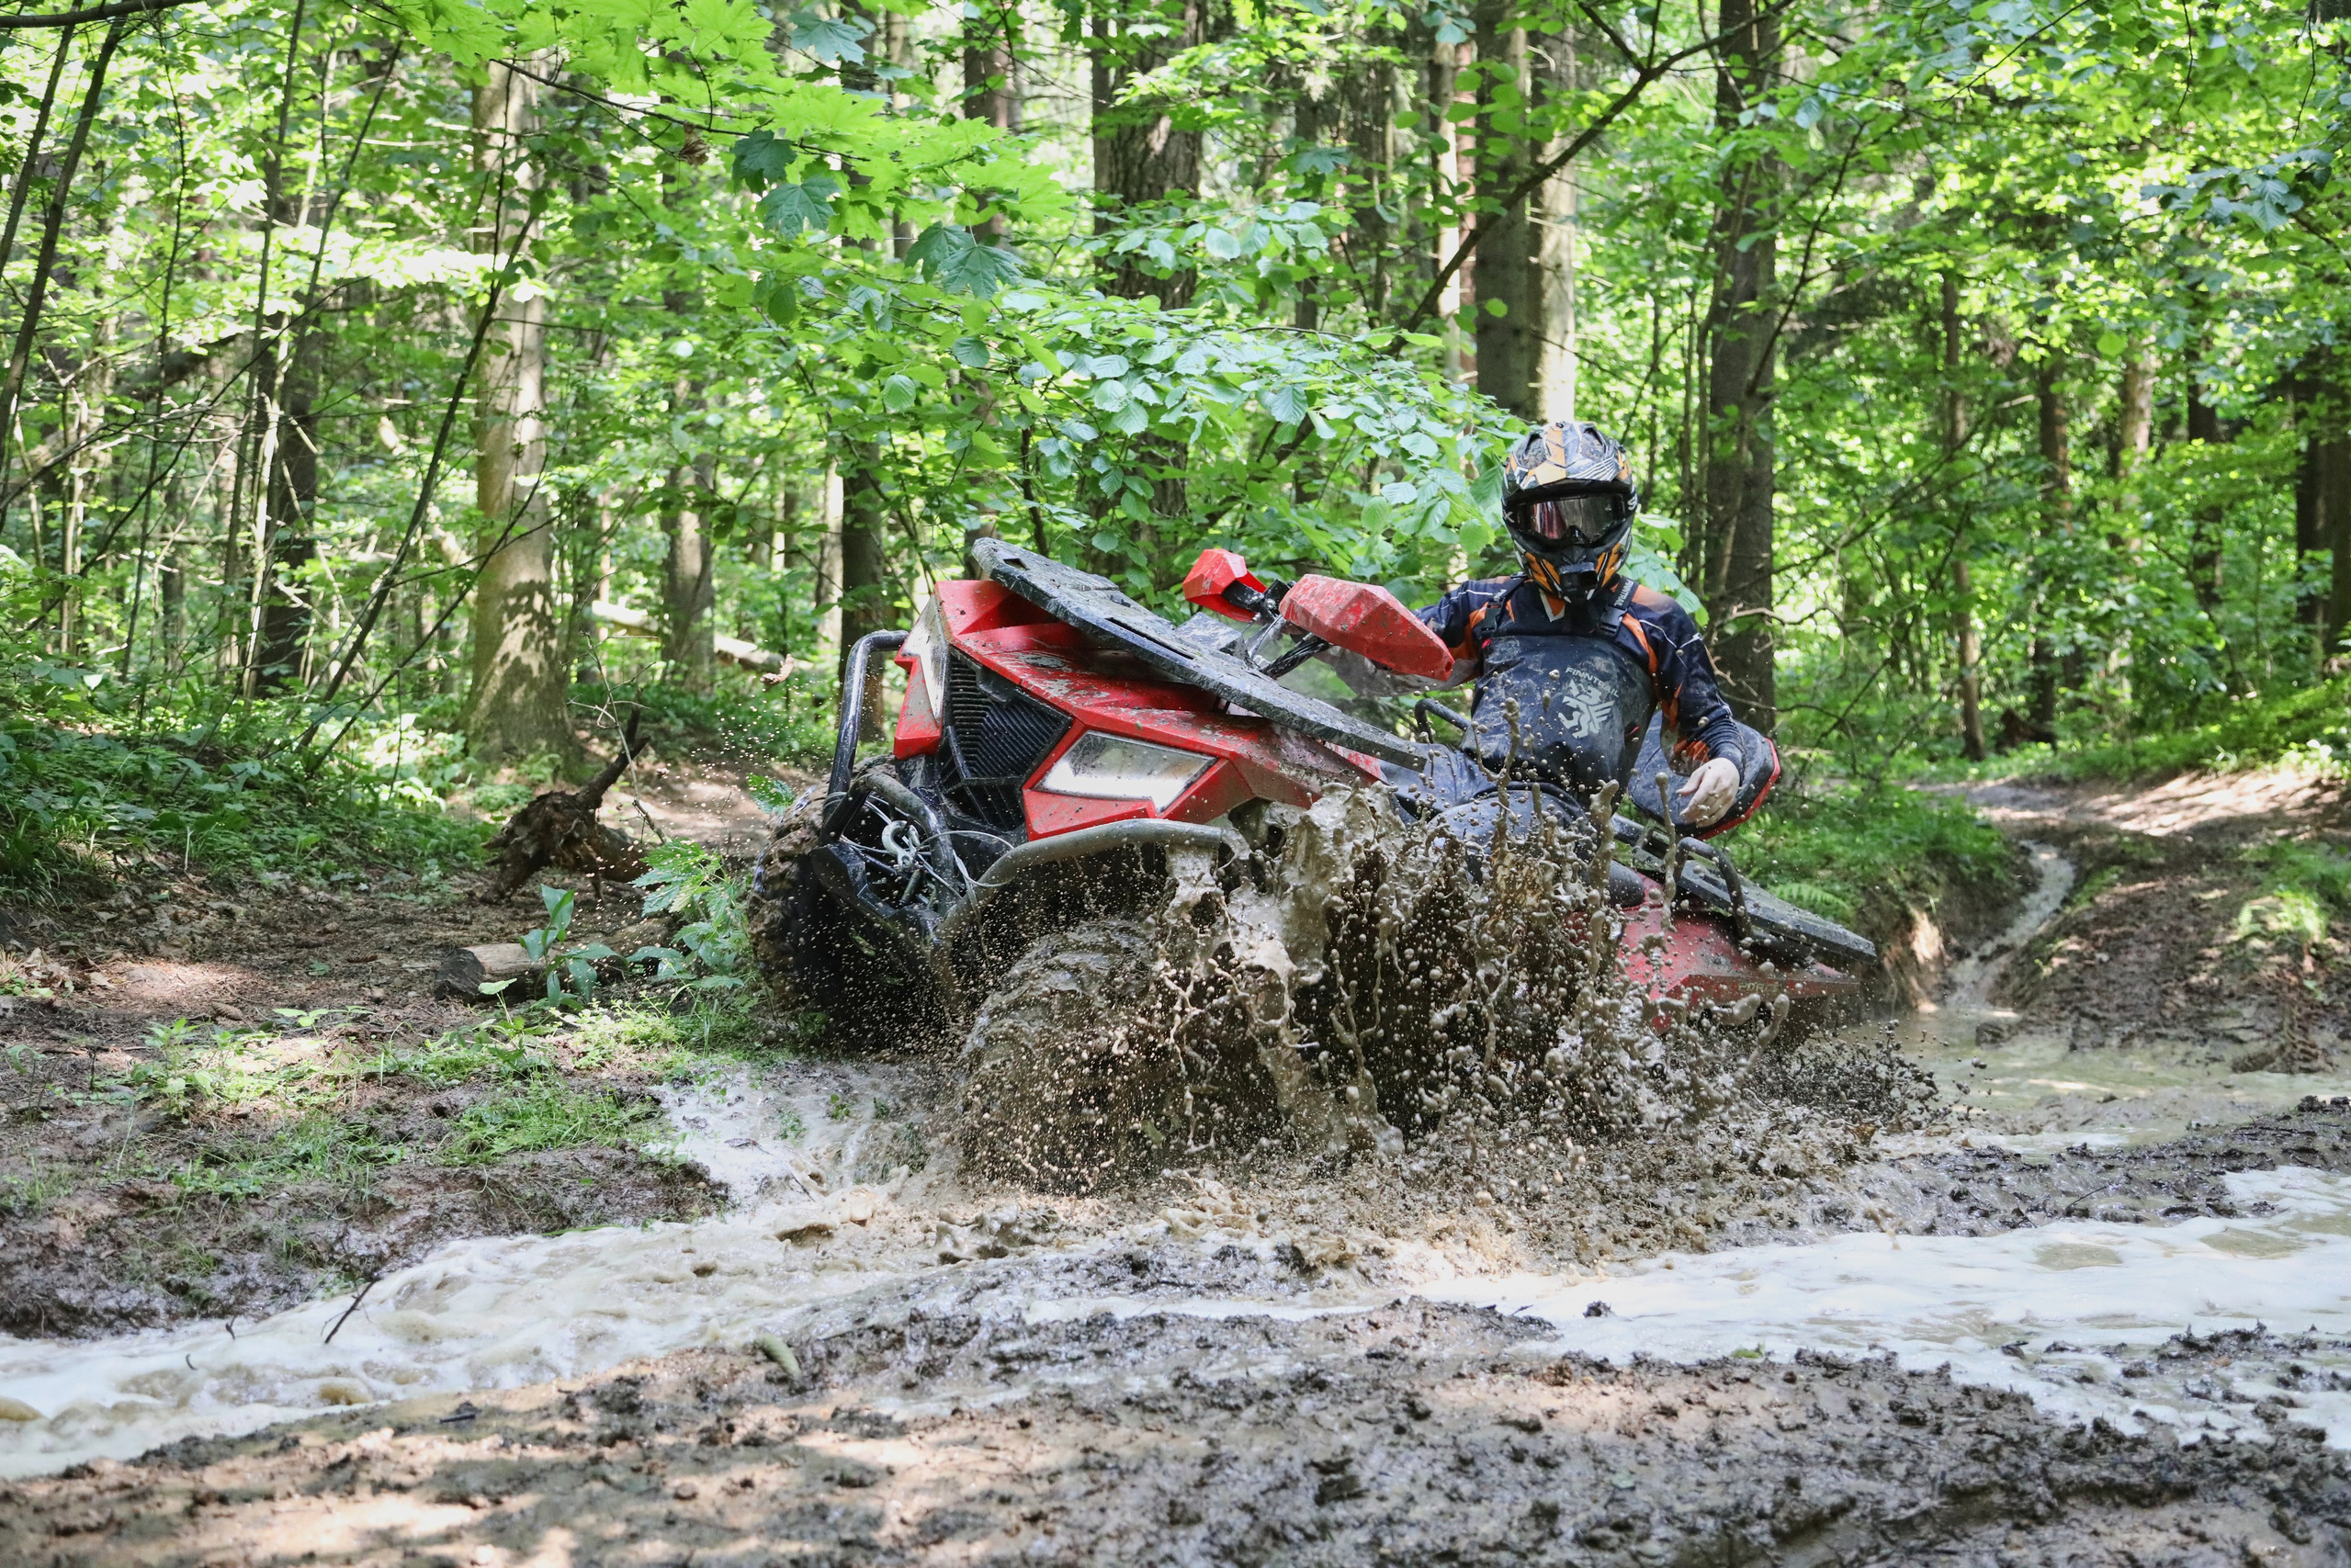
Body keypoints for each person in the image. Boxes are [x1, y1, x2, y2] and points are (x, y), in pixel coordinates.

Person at [1414, 420, 1765, 832]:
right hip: (1464, 782)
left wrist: (1727, 763)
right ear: (1520, 524)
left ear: (1620, 512)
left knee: (1454, 841)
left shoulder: (1655, 620)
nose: (1574, 538)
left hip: (1562, 816)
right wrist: (1331, 629)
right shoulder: (1485, 604)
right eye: (1552, 521)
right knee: (1362, 791)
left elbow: (1710, 723)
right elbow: (1398, 643)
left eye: (1591, 517)